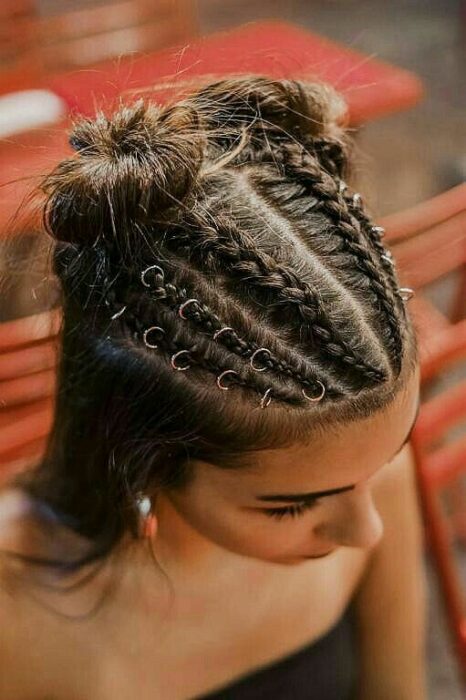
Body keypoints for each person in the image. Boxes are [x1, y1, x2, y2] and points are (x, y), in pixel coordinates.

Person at [0, 76, 427, 699]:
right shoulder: (17, 606)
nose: (367, 532)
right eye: (290, 506)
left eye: (389, 456)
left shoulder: (370, 475)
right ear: (141, 459)